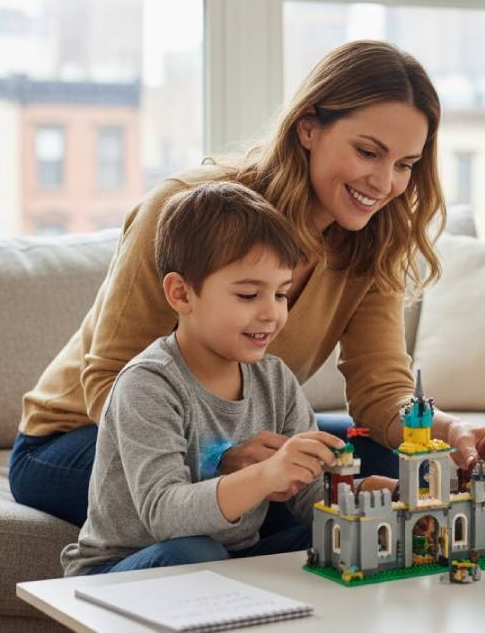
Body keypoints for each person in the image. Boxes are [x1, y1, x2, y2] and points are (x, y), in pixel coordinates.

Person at [8, 40, 485, 529]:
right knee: (279, 493)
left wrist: (451, 432)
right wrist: (221, 458)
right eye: (368, 152)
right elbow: (108, 379)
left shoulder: (372, 240)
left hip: (236, 435)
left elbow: (382, 391)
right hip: (82, 437)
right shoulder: (187, 209)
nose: (385, 183)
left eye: (405, 165)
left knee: (387, 454)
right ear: (308, 128)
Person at [63, 183, 389, 575]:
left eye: (281, 295)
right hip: (126, 567)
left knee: (342, 539)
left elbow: (313, 496)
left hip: (230, 559)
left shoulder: (275, 380)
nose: (272, 314)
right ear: (182, 294)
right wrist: (266, 473)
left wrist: (382, 497)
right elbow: (164, 516)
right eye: (249, 295)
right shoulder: (148, 384)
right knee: (195, 554)